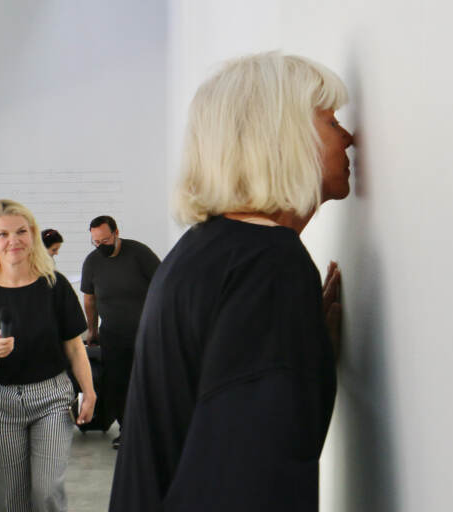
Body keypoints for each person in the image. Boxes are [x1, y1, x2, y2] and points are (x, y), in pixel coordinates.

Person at [109, 51, 352, 511]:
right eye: (331, 122)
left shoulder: (205, 251)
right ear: (283, 139)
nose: (350, 136)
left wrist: (303, 355)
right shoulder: (268, 266)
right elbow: (244, 477)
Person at [0, 199, 96, 512]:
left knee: (47, 493)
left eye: (21, 231)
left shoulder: (54, 285)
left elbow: (74, 346)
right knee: (7, 501)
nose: (13, 240)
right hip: (0, 402)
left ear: (32, 234)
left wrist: (89, 391)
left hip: (52, 398)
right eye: (2, 234)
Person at [80, 215, 160, 448]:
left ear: (116, 233)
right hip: (113, 335)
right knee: (118, 384)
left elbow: (163, 285)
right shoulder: (92, 262)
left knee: (147, 382)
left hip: (146, 332)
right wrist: (92, 331)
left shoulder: (139, 253)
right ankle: (127, 430)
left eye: (105, 241)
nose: (100, 246)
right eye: (96, 242)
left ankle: (151, 430)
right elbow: (90, 299)